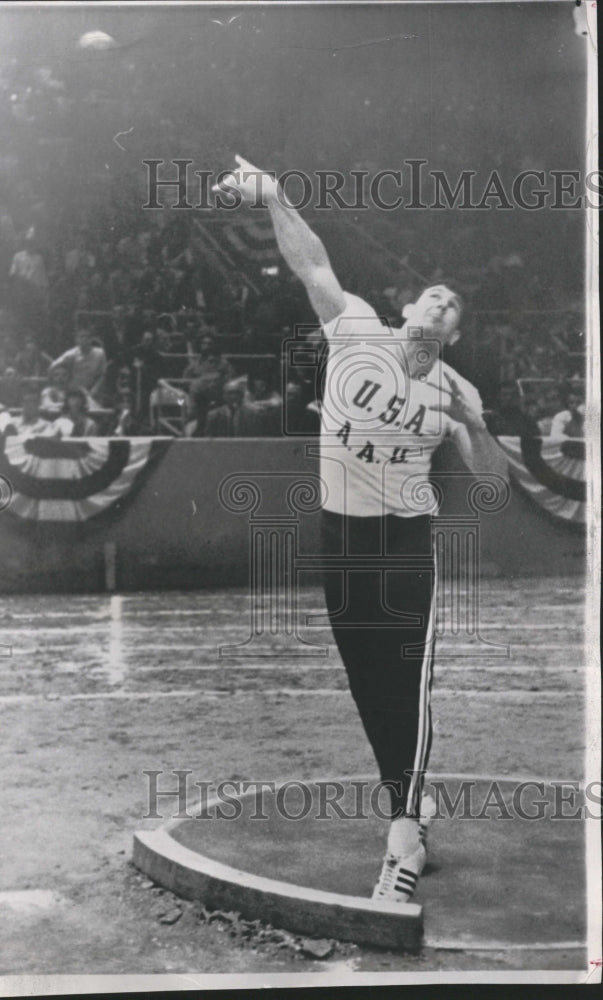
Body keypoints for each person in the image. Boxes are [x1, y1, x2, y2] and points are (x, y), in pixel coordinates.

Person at [215, 155, 507, 903]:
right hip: (338, 540)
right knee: (369, 687)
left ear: (451, 331)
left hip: (404, 547)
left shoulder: (454, 389)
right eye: (432, 296)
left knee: (407, 689)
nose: (439, 305)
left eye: (451, 307)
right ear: (408, 307)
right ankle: (409, 806)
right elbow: (309, 261)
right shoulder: (356, 331)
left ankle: (403, 841)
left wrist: (474, 424)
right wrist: (274, 194)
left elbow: (494, 485)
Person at [49, 327, 108, 406]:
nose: (84, 339)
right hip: (73, 393)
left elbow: (103, 374)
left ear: (91, 339)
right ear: (77, 340)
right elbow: (53, 367)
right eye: (81, 337)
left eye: (87, 337)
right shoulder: (70, 354)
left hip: (92, 392)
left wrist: (95, 389)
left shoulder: (100, 353)